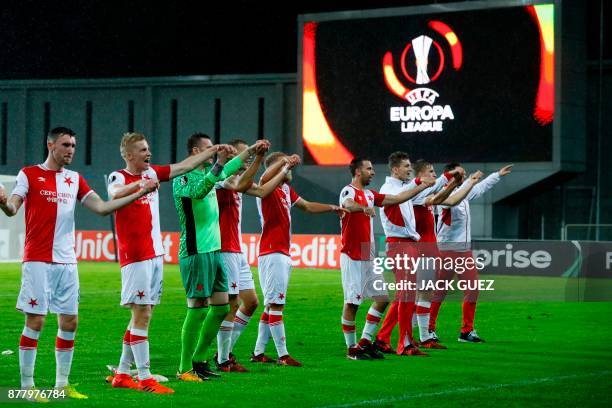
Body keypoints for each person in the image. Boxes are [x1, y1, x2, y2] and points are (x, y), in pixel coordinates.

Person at [0, 127, 158, 402]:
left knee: (70, 322)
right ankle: (27, 386)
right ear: (51, 145)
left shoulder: (75, 179)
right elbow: (13, 209)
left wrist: (139, 192)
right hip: (38, 259)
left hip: (68, 261)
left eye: (73, 145)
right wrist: (3, 202)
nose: (71, 149)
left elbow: (102, 208)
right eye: (65, 145)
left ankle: (62, 386)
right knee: (36, 321)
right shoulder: (29, 174)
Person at [107, 132, 229, 394]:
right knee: (143, 314)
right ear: (129, 155)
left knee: (143, 313)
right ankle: (145, 378)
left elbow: (184, 166)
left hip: (154, 254)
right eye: (142, 150)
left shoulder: (152, 173)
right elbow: (114, 193)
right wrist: (140, 186)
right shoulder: (121, 176)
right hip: (135, 255)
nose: (148, 153)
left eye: (148, 148)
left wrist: (213, 152)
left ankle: (122, 373)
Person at [173, 134, 270, 382]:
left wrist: (252, 149)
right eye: (208, 148)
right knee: (197, 308)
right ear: (196, 151)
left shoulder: (213, 173)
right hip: (196, 251)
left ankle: (200, 359)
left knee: (222, 308)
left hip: (215, 251)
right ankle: (184, 368)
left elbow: (231, 167)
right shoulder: (183, 177)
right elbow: (200, 190)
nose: (213, 151)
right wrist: (218, 163)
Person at [251, 151, 346, 367]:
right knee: (276, 305)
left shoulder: (286, 190)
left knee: (270, 306)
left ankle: (258, 353)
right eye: (283, 163)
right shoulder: (267, 187)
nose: (290, 168)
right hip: (272, 252)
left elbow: (308, 206)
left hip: (282, 252)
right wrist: (285, 163)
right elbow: (264, 177)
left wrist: (332, 207)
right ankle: (283, 355)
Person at [338, 157, 435, 360]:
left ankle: (366, 341)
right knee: (352, 302)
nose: (373, 172)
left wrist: (420, 186)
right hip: (352, 255)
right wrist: (362, 208)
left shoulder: (372, 195)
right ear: (357, 172)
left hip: (369, 256)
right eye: (369, 169)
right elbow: (348, 203)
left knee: (382, 299)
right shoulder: (349, 191)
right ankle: (351, 348)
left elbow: (398, 199)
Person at [214, 139, 296, 372]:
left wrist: (283, 171)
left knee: (250, 302)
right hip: (223, 248)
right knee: (229, 305)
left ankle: (226, 352)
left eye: (249, 154)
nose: (246, 158)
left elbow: (260, 190)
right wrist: (261, 158)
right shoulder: (223, 178)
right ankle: (221, 359)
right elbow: (241, 185)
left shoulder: (240, 180)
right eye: (244, 154)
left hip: (237, 249)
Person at [374, 154, 464, 355]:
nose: (409, 169)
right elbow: (405, 194)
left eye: (410, 166)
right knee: (410, 295)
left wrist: (448, 179)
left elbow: (430, 190)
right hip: (402, 245)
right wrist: (430, 180)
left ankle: (384, 338)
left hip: (410, 244)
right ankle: (406, 342)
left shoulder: (404, 188)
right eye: (406, 166)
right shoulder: (392, 188)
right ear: (395, 169)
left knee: (406, 295)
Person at [431, 164, 513, 343]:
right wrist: (470, 182)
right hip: (446, 250)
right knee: (439, 291)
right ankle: (428, 329)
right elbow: (455, 200)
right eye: (461, 173)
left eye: (465, 174)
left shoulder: (463, 191)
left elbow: (480, 188)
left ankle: (466, 331)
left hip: (463, 251)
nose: (465, 176)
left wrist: (497, 175)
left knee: (472, 289)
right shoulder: (443, 194)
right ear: (453, 175)